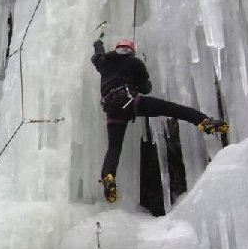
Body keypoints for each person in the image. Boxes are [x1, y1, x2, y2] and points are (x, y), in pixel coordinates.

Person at [91, 38, 228, 203]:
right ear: (130, 50)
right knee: (172, 109)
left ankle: (108, 176)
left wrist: (98, 44)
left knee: (114, 147)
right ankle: (203, 122)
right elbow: (145, 88)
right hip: (130, 102)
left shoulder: (104, 62)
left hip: (113, 111)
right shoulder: (135, 62)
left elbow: (97, 56)